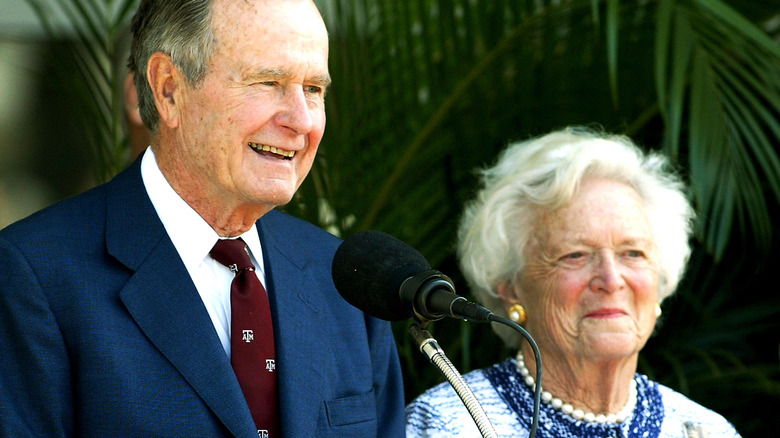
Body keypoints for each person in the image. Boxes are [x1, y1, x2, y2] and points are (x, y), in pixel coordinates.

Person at [0, 0, 405, 436]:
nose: (302, 121)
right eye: (268, 82)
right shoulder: (33, 277)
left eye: (314, 90)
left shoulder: (347, 279)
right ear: (169, 89)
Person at [405, 127, 741, 437]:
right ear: (511, 289)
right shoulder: (448, 424)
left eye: (633, 253)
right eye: (575, 255)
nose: (611, 280)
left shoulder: (705, 430)